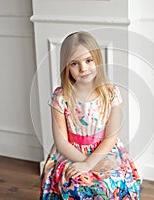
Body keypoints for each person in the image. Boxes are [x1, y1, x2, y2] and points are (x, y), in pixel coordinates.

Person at [40, 31, 141, 200]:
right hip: (71, 153)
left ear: (98, 60)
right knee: (74, 183)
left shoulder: (111, 94)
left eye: (88, 60)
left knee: (114, 181)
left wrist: (91, 163)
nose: (83, 68)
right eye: (74, 63)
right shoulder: (61, 98)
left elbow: (111, 137)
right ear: (66, 67)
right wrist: (83, 163)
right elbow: (61, 142)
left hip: (104, 151)